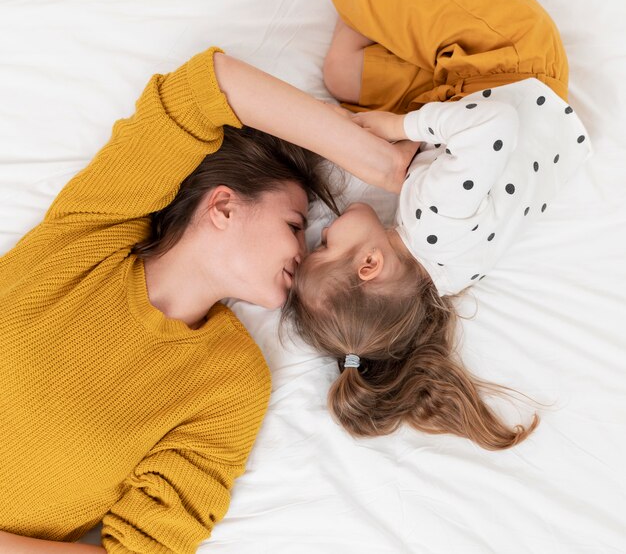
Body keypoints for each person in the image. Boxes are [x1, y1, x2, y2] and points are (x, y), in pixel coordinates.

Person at [0, 41, 418, 552]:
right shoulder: (90, 236)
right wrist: (379, 162)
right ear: (223, 206)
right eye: (294, 224)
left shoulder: (231, 382)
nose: (303, 253)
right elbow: (205, 87)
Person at [280, 0, 592, 450]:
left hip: (481, 94)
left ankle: (393, 13)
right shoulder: (431, 219)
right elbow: (493, 128)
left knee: (342, 74)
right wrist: (403, 131)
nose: (325, 227)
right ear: (369, 265)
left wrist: (413, 157)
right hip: (510, 60)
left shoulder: (444, 275)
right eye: (326, 244)